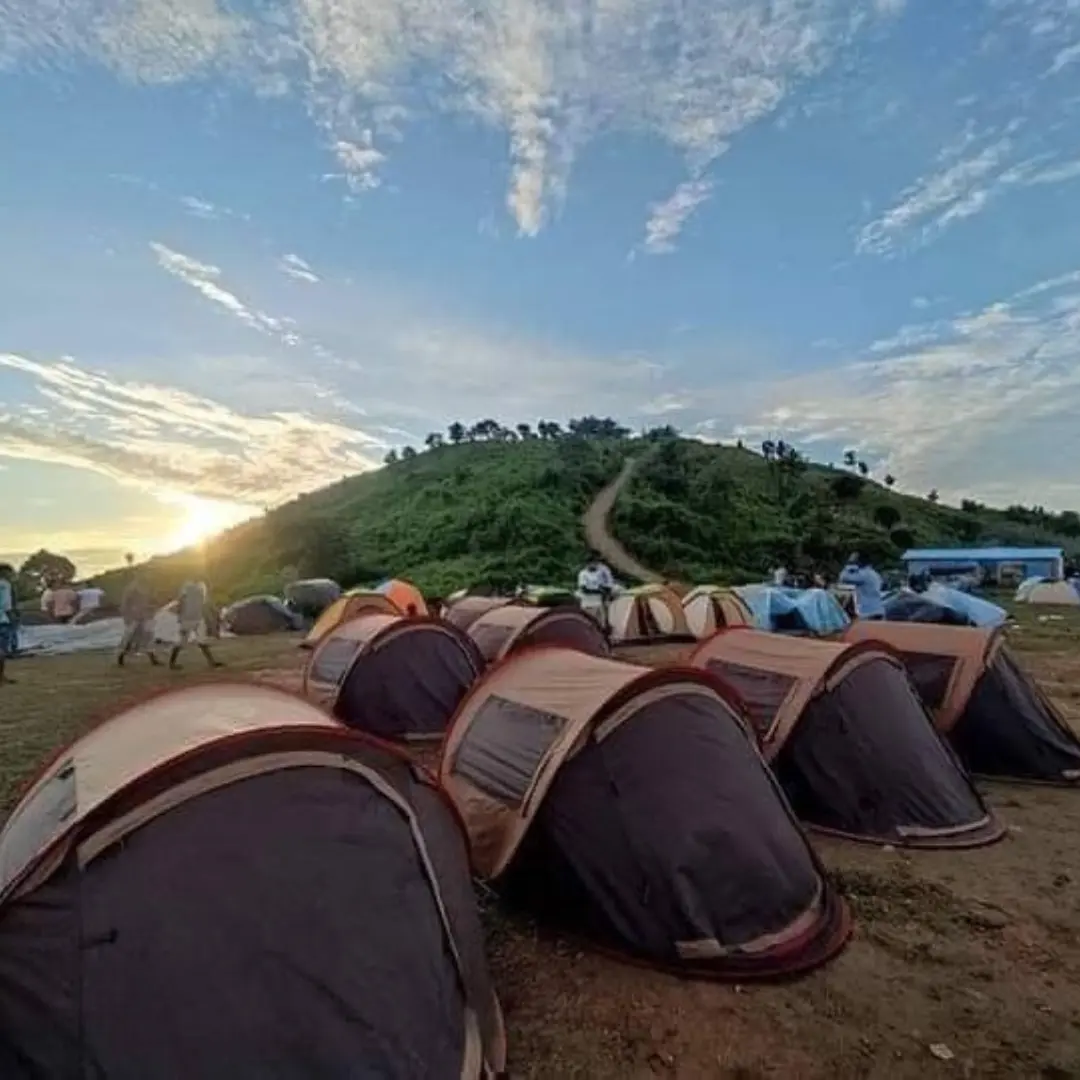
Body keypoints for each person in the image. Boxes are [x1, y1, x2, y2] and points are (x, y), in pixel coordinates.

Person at [169, 580, 224, 670]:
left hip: (198, 617)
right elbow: (181, 601)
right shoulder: (187, 585)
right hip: (187, 618)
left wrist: (212, 613)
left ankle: (211, 662)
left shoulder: (202, 586)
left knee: (202, 641)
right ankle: (172, 663)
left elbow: (205, 602)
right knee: (181, 642)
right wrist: (180, 617)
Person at [117, 573, 160, 667]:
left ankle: (152, 657)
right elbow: (125, 603)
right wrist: (126, 616)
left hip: (144, 615)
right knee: (130, 637)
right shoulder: (132, 588)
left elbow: (151, 601)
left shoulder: (146, 588)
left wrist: (151, 609)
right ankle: (121, 656)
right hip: (134, 616)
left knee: (148, 636)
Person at [839, 551, 886, 620]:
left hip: (867, 611)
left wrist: (849, 564)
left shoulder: (863, 574)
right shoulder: (874, 574)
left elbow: (843, 577)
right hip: (878, 609)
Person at [577, 556, 617, 630]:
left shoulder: (599, 573)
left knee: (599, 622)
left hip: (598, 602)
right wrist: (598, 591)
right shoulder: (583, 574)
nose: (594, 565)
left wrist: (605, 592)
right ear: (587, 564)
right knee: (588, 621)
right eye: (592, 563)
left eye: (595, 563)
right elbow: (584, 589)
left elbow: (605, 585)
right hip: (587, 602)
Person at [0, 564, 17, 686]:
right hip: (2, 620)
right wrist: (13, 619)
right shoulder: (4, 585)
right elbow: (7, 605)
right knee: (2, 650)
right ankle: (1, 677)